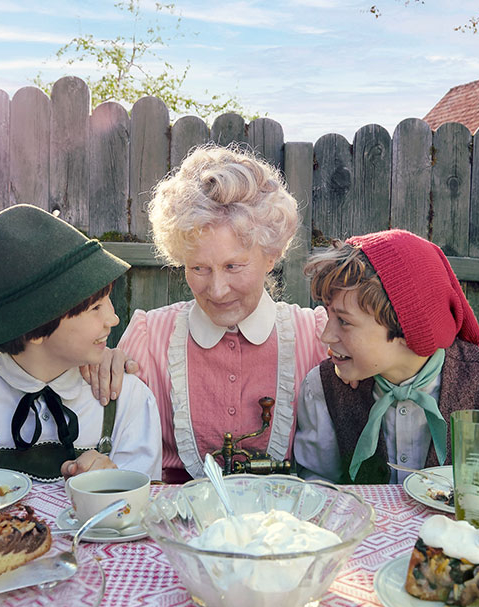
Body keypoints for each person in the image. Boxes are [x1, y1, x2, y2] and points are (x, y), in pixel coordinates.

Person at [294, 229, 479, 498]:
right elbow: (315, 489)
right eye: (328, 314)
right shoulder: (323, 388)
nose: (325, 334)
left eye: (344, 322)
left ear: (405, 328)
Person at [110, 144, 330, 483]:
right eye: (199, 267)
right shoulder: (147, 337)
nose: (217, 289)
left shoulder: (317, 337)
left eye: (233, 266)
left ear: (271, 255)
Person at [0, 204, 161, 481]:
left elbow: (141, 514)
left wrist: (114, 482)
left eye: (107, 301)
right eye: (95, 308)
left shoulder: (127, 401)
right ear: (35, 330)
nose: (113, 318)